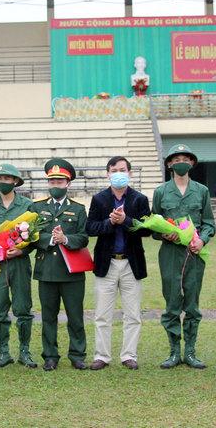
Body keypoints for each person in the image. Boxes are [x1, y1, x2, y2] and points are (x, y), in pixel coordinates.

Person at [152, 144, 216, 369]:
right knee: (171, 302)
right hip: (170, 254)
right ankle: (173, 352)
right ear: (169, 164)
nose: (181, 162)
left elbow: (209, 223)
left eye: (186, 159)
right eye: (176, 159)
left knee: (192, 304)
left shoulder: (202, 190)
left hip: (194, 253)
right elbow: (154, 225)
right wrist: (163, 233)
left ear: (192, 164)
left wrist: (202, 240)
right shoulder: (161, 192)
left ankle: (190, 351)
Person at [86, 156, 150, 370]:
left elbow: (148, 229)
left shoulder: (139, 199)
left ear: (129, 173)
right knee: (102, 314)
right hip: (107, 262)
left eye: (122, 169)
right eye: (114, 170)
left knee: (132, 314)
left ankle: (129, 355)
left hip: (131, 263)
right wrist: (110, 223)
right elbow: (91, 228)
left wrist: (126, 221)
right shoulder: (99, 199)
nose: (118, 173)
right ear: (108, 174)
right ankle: (101, 356)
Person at [29, 158, 89, 371]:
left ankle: (77, 354)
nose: (56, 185)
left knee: (75, 316)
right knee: (48, 316)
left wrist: (66, 240)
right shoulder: (37, 207)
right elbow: (32, 236)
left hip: (71, 272)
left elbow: (83, 237)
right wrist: (52, 239)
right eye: (52, 182)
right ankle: (50, 356)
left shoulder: (79, 209)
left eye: (60, 182)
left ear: (68, 183)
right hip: (46, 270)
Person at [0, 163, 37, 368]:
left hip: (20, 263)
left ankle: (24, 351)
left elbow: (33, 238)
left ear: (15, 181)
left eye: (7, 179)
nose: (3, 182)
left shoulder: (27, 205)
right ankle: (3, 351)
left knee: (23, 307)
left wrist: (23, 250)